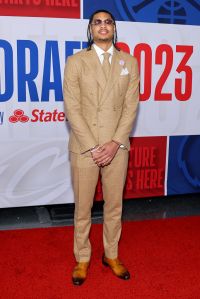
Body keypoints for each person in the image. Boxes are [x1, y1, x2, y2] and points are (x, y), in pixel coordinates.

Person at [63, 9, 139, 286]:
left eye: (108, 22)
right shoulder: (76, 62)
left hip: (116, 147)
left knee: (114, 206)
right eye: (98, 22)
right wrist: (94, 146)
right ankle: (82, 258)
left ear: (114, 28)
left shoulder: (129, 62)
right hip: (85, 147)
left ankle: (111, 254)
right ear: (91, 30)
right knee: (83, 208)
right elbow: (72, 108)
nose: (103, 26)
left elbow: (131, 107)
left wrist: (115, 142)